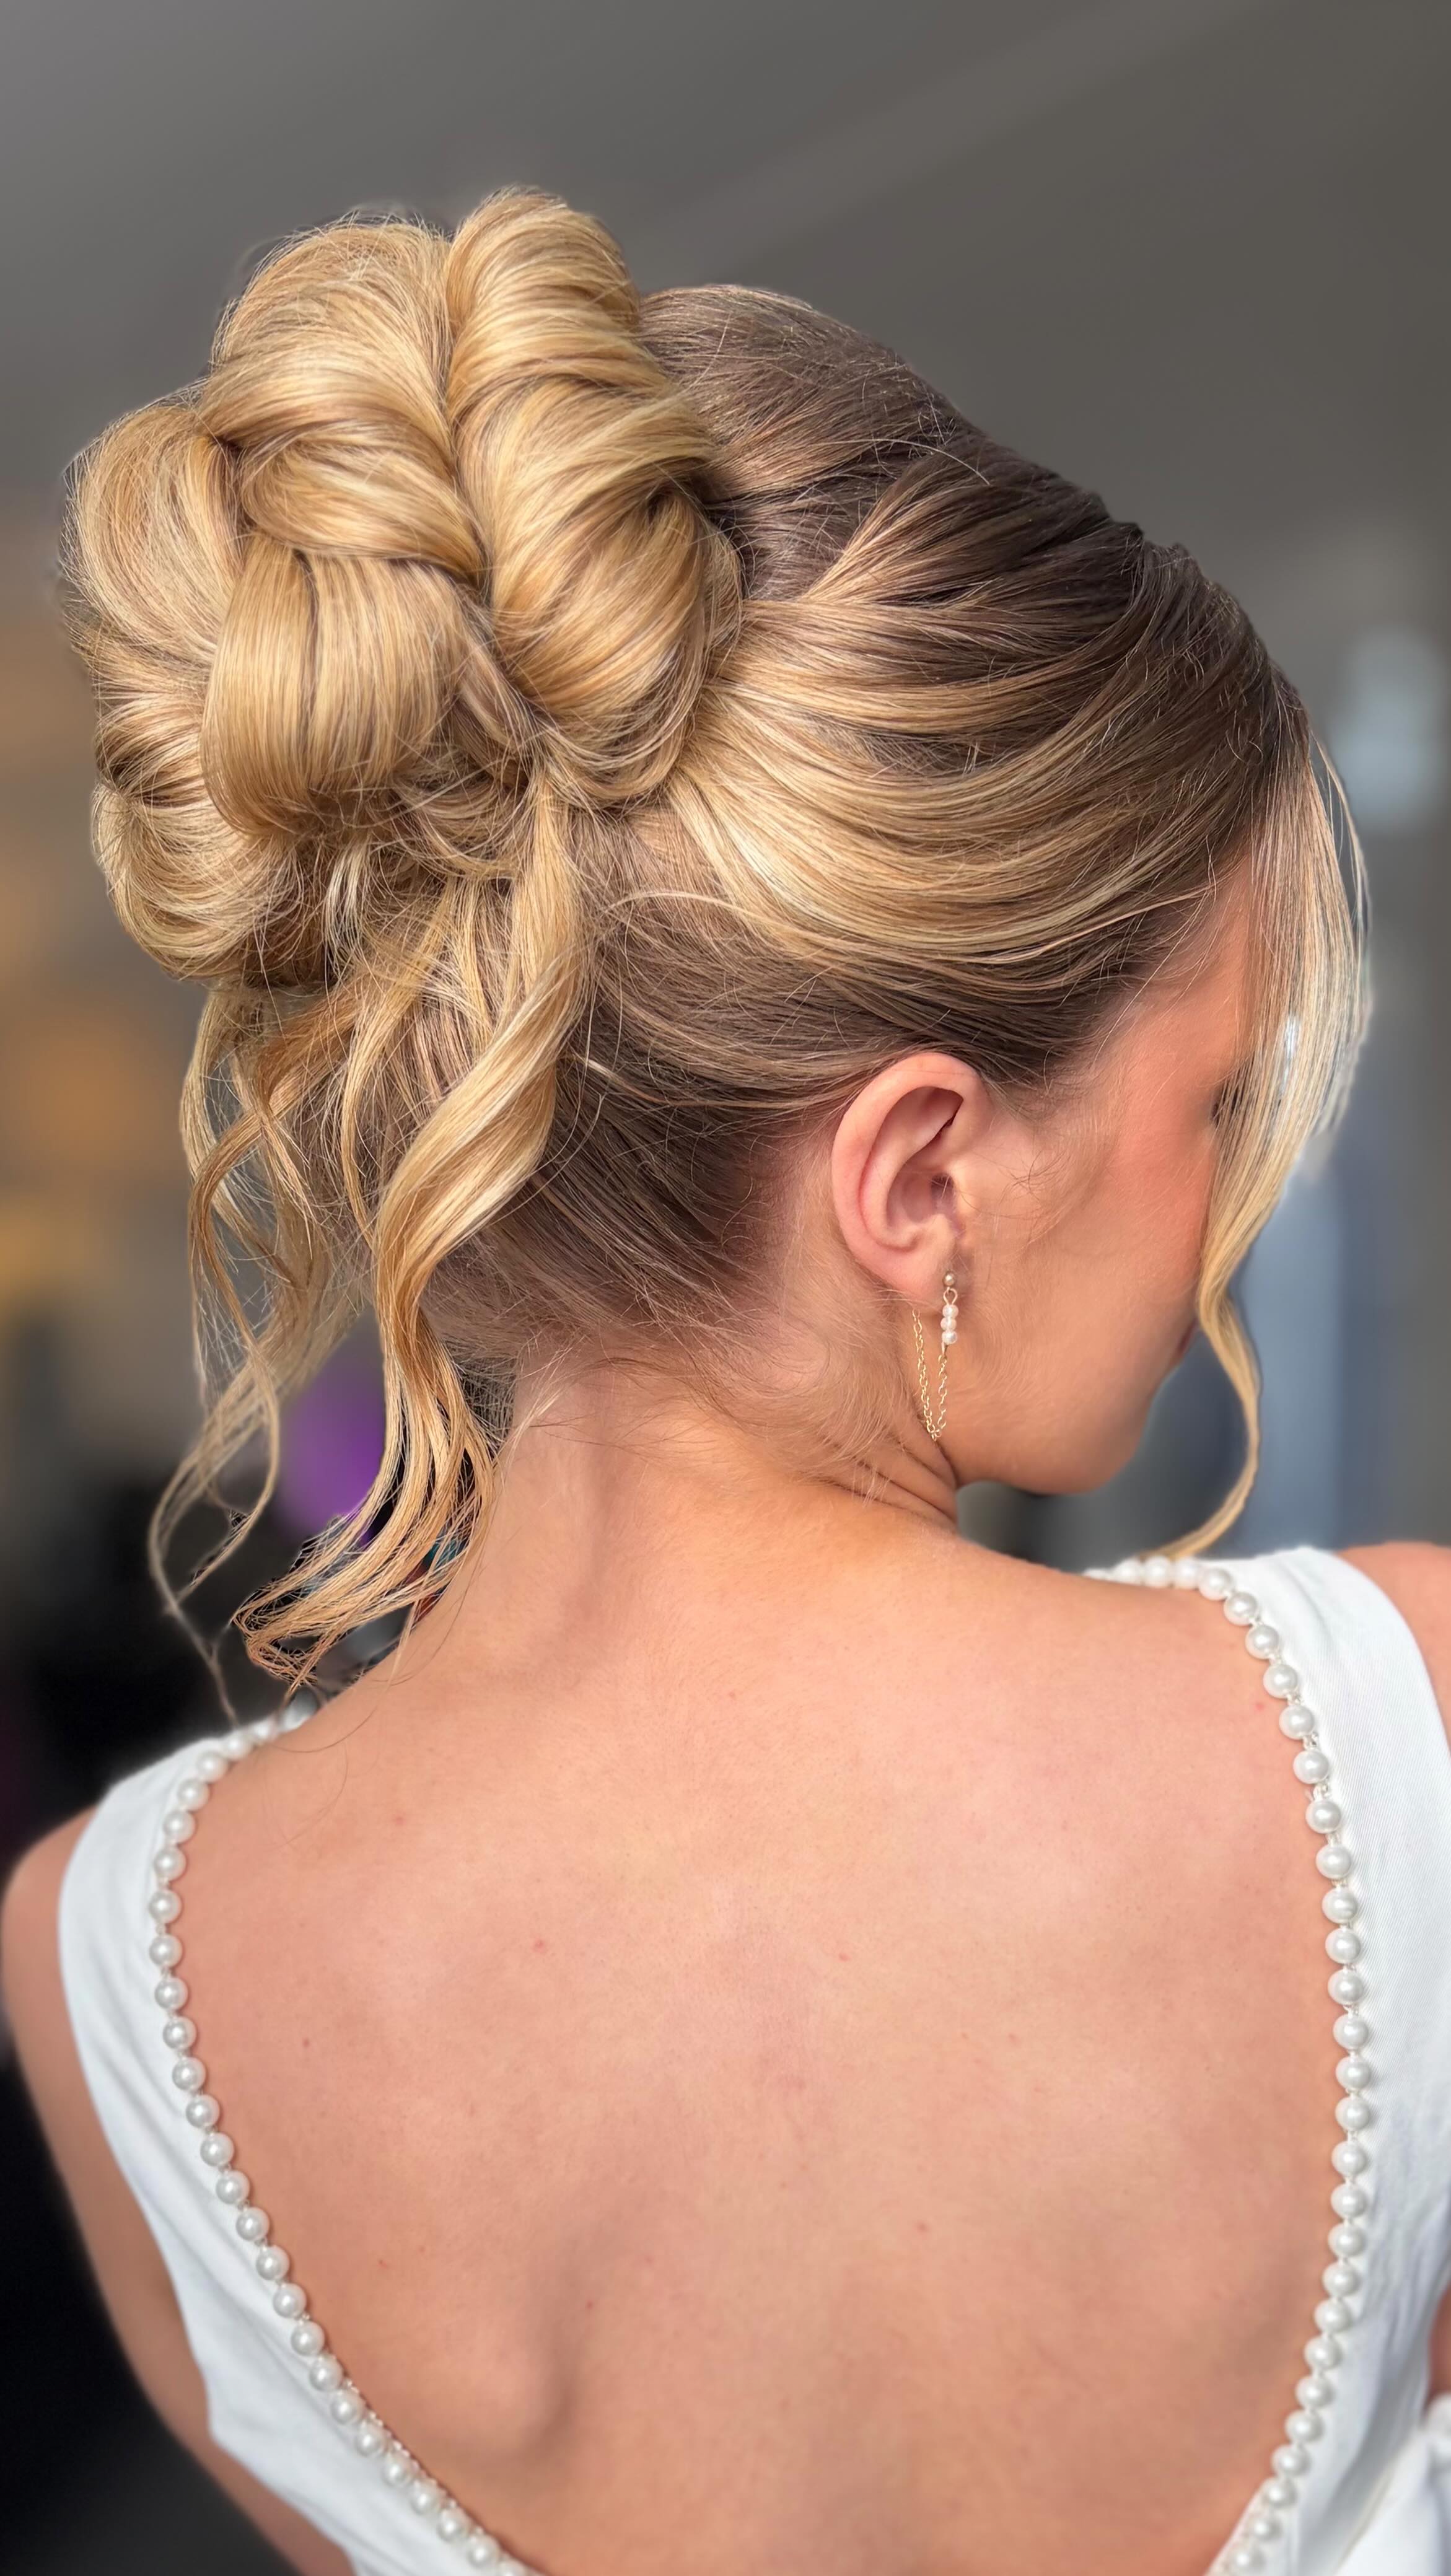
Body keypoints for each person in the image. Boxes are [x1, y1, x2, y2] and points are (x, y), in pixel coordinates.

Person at [3, 187, 1448, 2576]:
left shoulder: (124, 1996)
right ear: (922, 1179)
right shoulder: (1402, 1758)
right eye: (1209, 1104)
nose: (1228, 1212)